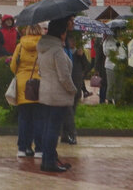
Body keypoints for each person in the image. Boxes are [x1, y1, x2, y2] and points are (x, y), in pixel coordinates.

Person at [36, 16, 77, 174]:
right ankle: (50, 162)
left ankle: (48, 160)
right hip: (58, 96)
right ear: (61, 33)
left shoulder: (43, 48)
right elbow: (64, 77)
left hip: (45, 93)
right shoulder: (57, 51)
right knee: (53, 130)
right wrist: (73, 90)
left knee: (48, 128)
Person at [10, 23, 43, 157]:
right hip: (39, 83)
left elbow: (13, 66)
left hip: (23, 83)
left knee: (24, 118)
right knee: (38, 118)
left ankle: (23, 148)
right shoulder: (43, 46)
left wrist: (21, 73)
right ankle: (39, 149)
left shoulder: (20, 46)